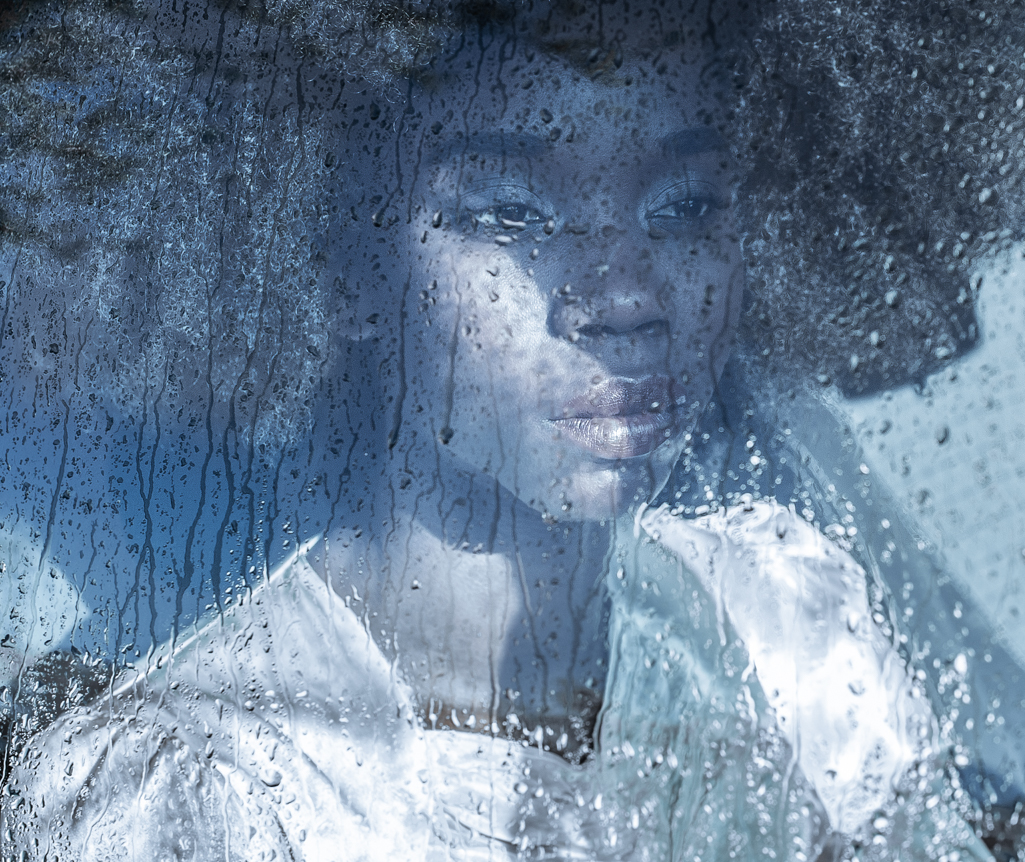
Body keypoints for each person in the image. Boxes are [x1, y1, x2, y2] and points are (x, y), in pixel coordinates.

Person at [0, 0, 998, 859]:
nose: (624, 296)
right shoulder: (195, 785)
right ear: (343, 257)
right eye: (511, 214)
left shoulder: (791, 630)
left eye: (684, 204)